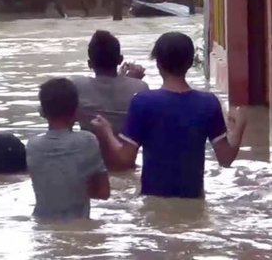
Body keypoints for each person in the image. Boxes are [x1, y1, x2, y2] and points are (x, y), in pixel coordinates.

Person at [91, 32, 247, 198]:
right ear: (190, 62)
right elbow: (226, 160)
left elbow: (124, 159)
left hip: (153, 202)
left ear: (158, 64)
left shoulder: (143, 102)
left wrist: (106, 132)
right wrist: (239, 127)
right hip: (194, 200)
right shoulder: (208, 103)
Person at [26, 78, 110, 221]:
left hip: (41, 224)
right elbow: (103, 193)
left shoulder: (32, 145)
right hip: (78, 225)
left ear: (42, 112)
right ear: (76, 111)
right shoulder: (87, 141)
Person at [71, 30, 149, 171]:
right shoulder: (139, 87)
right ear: (120, 60)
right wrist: (129, 79)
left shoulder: (76, 86)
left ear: (89, 63)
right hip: (126, 167)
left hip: (91, 168)